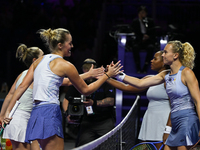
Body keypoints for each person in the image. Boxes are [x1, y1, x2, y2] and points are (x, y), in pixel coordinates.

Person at [3, 28, 122, 150]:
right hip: (50, 112)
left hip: (36, 113)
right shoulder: (66, 65)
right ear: (60, 45)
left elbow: (22, 86)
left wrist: (8, 111)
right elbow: (86, 90)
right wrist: (107, 75)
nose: (72, 46)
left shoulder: (39, 61)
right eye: (69, 43)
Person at [115, 40, 200, 149]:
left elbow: (198, 101)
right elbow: (140, 83)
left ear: (175, 55)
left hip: (187, 120)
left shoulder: (187, 73)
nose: (163, 55)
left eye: (165, 52)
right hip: (174, 120)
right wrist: (119, 75)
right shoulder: (165, 75)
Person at [106, 51, 170, 149]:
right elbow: (127, 87)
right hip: (150, 119)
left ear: (164, 62)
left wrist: (168, 128)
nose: (151, 61)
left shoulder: (169, 79)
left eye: (155, 59)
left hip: (163, 121)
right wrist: (106, 77)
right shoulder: (150, 78)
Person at [0, 44, 44, 150]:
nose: (45, 59)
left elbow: (10, 95)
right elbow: (65, 81)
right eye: (42, 57)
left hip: (22, 120)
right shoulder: (35, 75)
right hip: (20, 120)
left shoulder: (22, 74)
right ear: (35, 60)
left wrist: (1, 115)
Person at [64, 58, 116, 147]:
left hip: (104, 121)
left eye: (90, 69)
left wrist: (93, 103)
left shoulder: (104, 80)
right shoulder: (79, 81)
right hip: (86, 122)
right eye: (86, 69)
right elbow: (66, 99)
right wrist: (67, 113)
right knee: (84, 147)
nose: (88, 71)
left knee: (108, 146)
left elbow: (111, 101)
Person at [128, 5, 156, 73]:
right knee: (135, 47)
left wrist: (148, 36)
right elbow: (133, 32)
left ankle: (145, 67)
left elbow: (154, 32)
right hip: (138, 41)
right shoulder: (135, 22)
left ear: (146, 13)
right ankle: (138, 67)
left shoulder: (150, 21)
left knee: (151, 47)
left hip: (148, 42)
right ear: (138, 13)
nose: (142, 14)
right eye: (141, 12)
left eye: (143, 12)